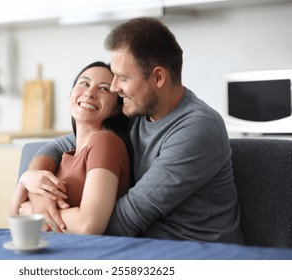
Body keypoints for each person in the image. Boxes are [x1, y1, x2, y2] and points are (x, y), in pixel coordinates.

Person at [21, 17, 244, 244]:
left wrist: (38, 215)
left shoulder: (196, 128)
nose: (115, 88)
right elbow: (65, 144)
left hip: (197, 255)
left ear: (158, 77)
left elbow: (124, 221)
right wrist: (39, 185)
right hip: (143, 247)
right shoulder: (135, 112)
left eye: (123, 78)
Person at [10, 61, 131, 235]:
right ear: (71, 94)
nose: (89, 93)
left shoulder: (106, 142)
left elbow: (88, 225)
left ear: (117, 108)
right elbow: (16, 215)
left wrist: (37, 215)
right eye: (84, 83)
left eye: (104, 88)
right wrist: (25, 179)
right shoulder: (64, 157)